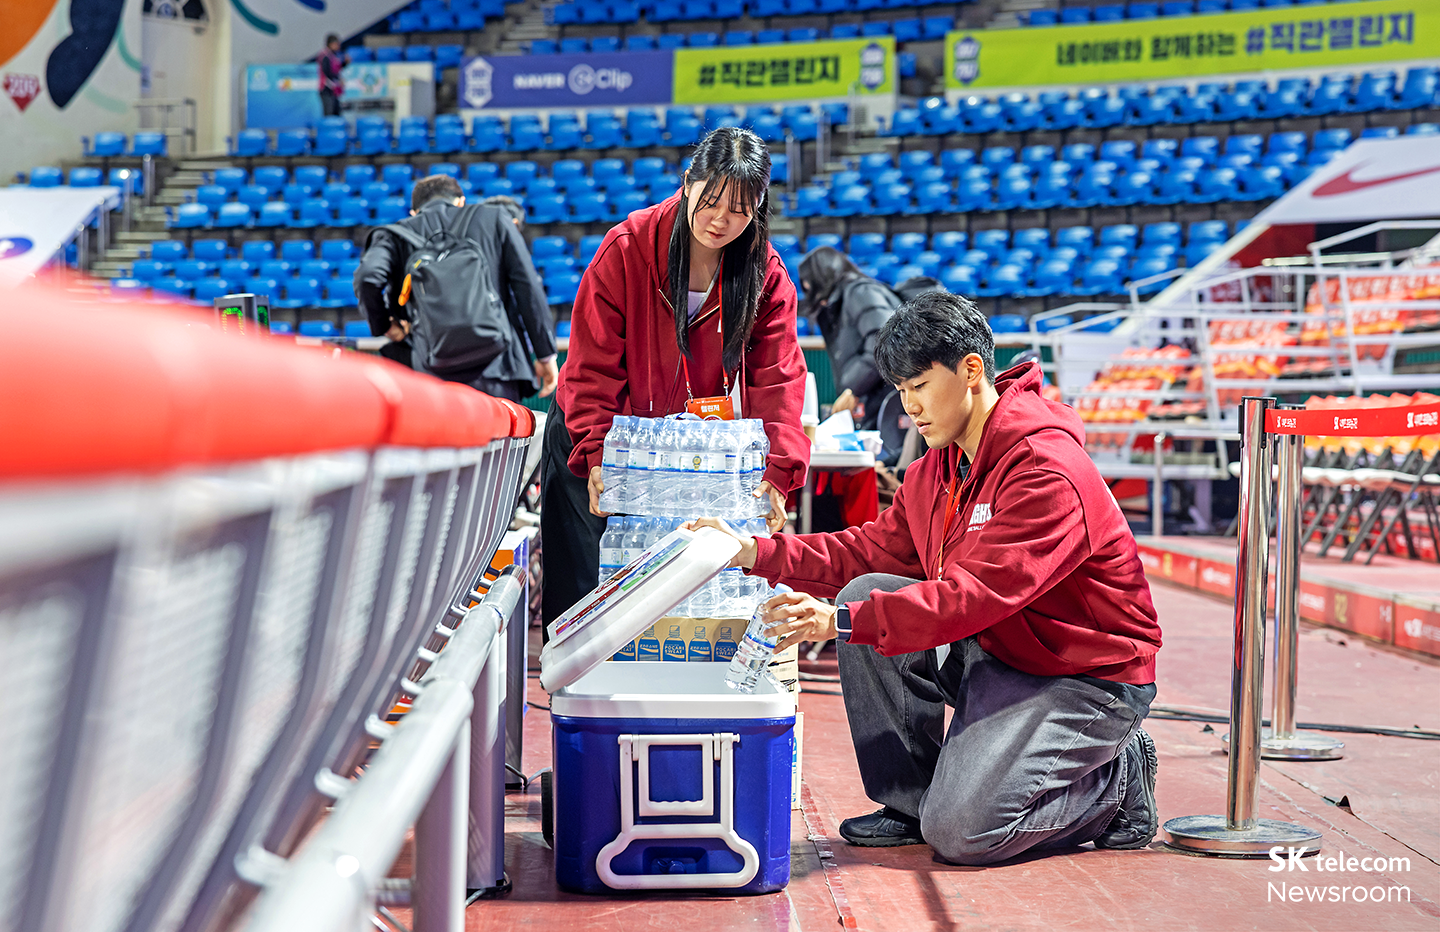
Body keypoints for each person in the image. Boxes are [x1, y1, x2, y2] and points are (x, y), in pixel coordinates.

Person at [690, 291, 1163, 866]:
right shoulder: (936, 469)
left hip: (1084, 676)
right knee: (865, 591)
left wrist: (840, 621)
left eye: (920, 385)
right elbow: (864, 553)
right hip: (1003, 651)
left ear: (970, 371)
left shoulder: (1046, 470)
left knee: (964, 832)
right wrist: (752, 551)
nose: (910, 405)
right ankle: (909, 803)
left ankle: (1116, 784)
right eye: (900, 390)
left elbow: (976, 596)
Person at [541, 126, 809, 626]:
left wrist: (779, 470)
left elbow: (779, 379)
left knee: (664, 601)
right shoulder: (628, 248)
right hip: (593, 434)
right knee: (584, 590)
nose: (721, 220)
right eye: (710, 201)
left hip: (676, 452)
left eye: (740, 209)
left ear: (759, 207)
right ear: (687, 182)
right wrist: (596, 453)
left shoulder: (765, 274)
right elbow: (591, 366)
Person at [354, 174, 558, 401]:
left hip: (430, 372)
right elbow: (527, 286)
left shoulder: (393, 234)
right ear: (461, 201)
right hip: (498, 367)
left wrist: (385, 325)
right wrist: (545, 355)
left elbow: (367, 278)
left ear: (414, 212)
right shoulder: (494, 218)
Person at [798, 246, 901, 431]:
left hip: (888, 406)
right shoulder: (843, 301)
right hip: (876, 406)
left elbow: (884, 341)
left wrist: (853, 388)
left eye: (813, 288)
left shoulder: (860, 292)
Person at [318, 34, 348, 118]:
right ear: (331, 44)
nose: (338, 46)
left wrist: (345, 63)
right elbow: (327, 74)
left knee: (337, 112)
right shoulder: (325, 56)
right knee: (329, 114)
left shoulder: (334, 56)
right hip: (327, 89)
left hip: (334, 90)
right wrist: (336, 84)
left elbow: (336, 69)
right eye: (336, 44)